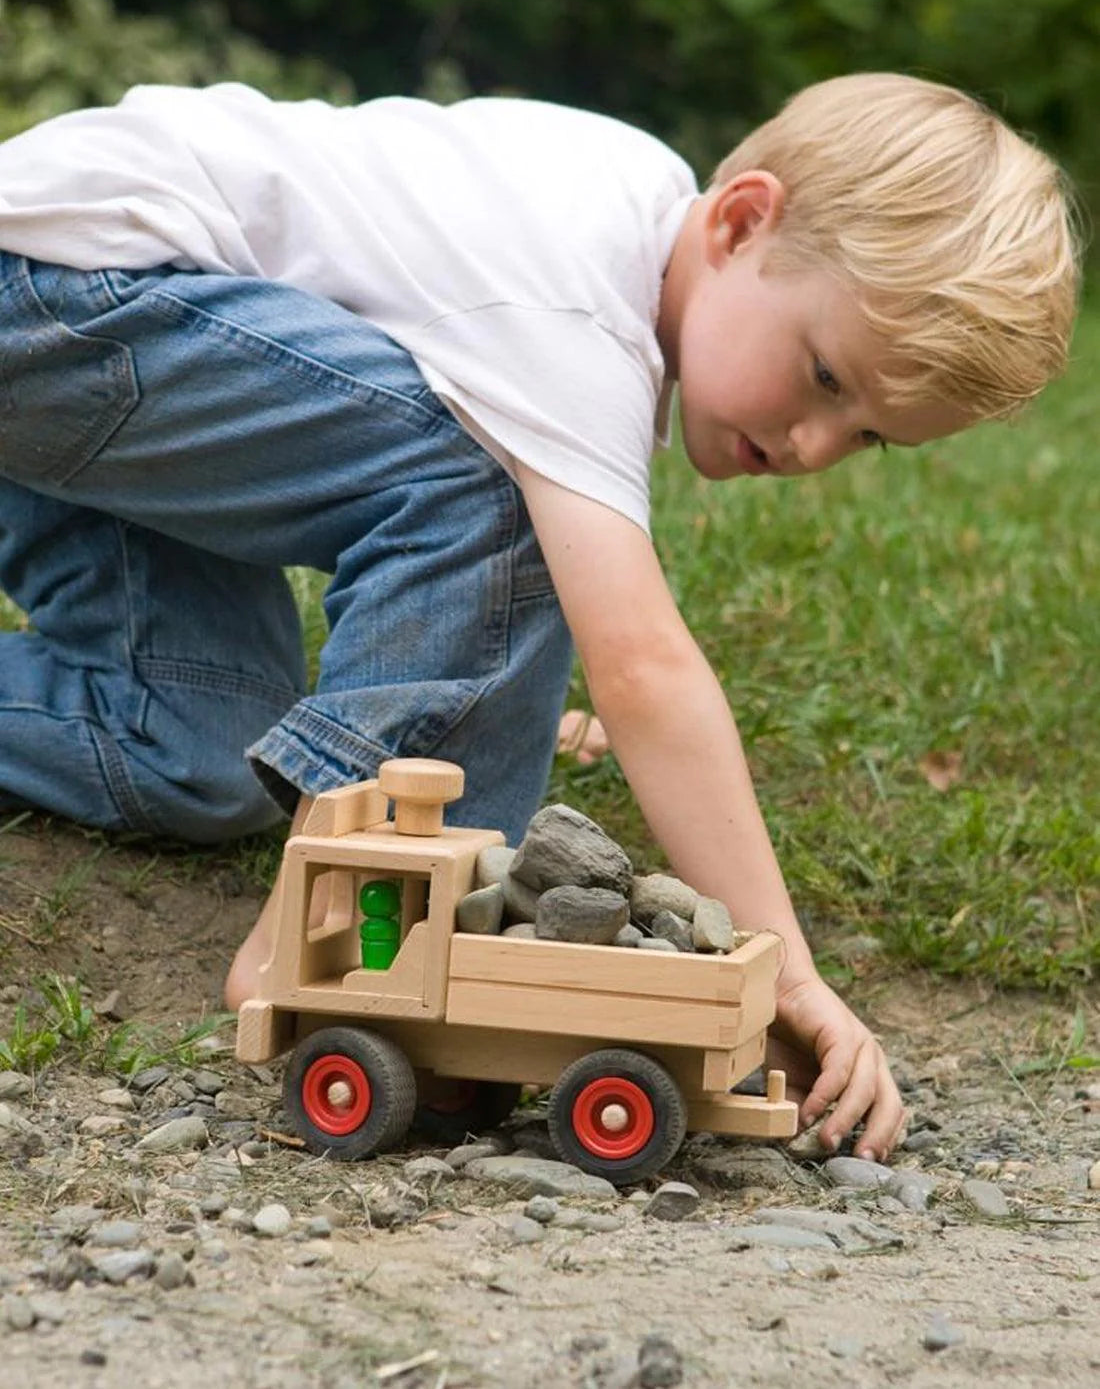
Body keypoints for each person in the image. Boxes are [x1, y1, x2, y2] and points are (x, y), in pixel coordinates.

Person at [0, 73, 1078, 1160]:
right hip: (60, 297)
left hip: (87, 354)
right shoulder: (572, 306)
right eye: (824, 376)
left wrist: (505, 687)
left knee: (195, 749)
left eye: (868, 436)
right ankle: (344, 949)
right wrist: (783, 969)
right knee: (491, 490)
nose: (815, 443)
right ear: (744, 220)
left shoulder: (635, 210)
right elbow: (642, 666)